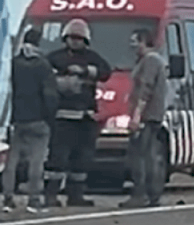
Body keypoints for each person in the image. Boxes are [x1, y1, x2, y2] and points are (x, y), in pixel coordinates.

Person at [44, 19, 112, 208]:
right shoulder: (54, 58)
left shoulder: (92, 57)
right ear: (65, 38)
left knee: (82, 159)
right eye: (72, 38)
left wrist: (84, 71)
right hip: (62, 117)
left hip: (85, 117)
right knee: (57, 158)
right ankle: (51, 195)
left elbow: (106, 72)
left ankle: (76, 196)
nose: (75, 41)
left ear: (86, 40)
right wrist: (63, 77)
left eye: (79, 38)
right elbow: (45, 76)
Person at [2, 29, 58, 213]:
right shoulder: (42, 65)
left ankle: (7, 198)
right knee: (37, 160)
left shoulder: (13, 62)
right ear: (39, 42)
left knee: (12, 161)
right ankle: (34, 200)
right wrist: (50, 116)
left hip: (16, 119)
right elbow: (49, 94)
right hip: (38, 119)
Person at [119, 29, 168, 209]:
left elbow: (145, 89)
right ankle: (152, 195)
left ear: (143, 42)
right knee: (148, 154)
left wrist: (136, 115)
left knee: (140, 155)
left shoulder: (150, 62)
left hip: (147, 116)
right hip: (152, 115)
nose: (132, 46)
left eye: (135, 42)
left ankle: (142, 194)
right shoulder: (155, 61)